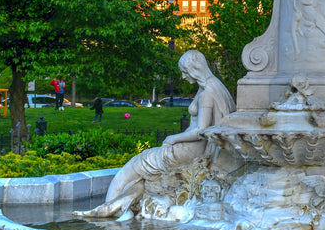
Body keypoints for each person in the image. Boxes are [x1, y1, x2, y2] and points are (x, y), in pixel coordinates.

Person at [77, 50, 235, 220]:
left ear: (195, 69)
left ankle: (109, 210)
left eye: (184, 71)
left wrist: (173, 138)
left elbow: (200, 131)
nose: (182, 76)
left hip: (190, 150)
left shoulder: (206, 94)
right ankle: (119, 205)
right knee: (142, 174)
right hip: (194, 149)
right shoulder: (215, 87)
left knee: (137, 164)